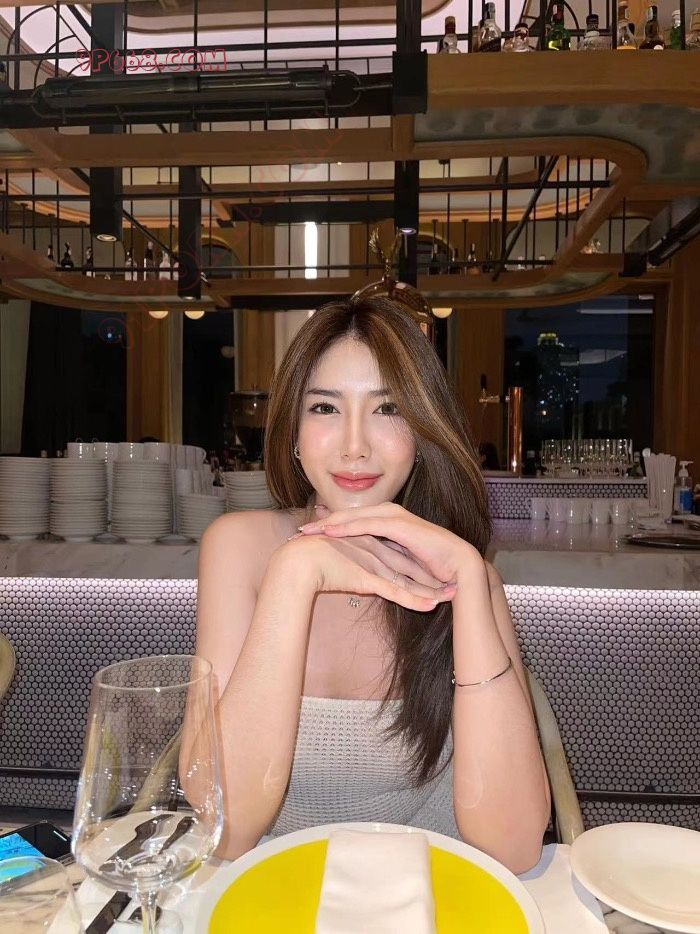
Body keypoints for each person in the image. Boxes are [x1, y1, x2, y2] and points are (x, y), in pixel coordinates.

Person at [191, 296, 550, 874]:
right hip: (278, 896)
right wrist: (295, 575)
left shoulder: (464, 574)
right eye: (325, 408)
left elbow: (512, 848)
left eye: (388, 409)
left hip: (432, 895)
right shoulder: (239, 548)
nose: (354, 445)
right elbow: (226, 831)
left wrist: (469, 583)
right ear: (292, 431)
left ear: (423, 432)